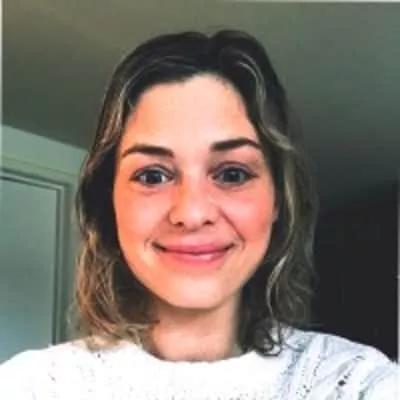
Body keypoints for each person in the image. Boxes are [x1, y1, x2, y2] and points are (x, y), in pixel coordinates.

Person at [0, 29, 397, 399]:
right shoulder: (31, 386)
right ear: (109, 201)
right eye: (152, 175)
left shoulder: (358, 382)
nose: (191, 213)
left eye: (232, 174)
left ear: (279, 199)